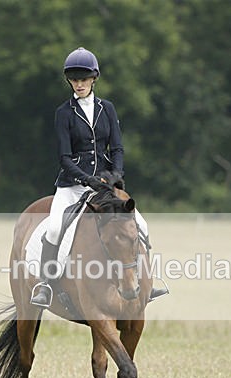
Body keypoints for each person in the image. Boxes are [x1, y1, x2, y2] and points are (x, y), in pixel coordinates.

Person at [31, 47, 166, 307]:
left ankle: (148, 281)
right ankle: (45, 285)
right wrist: (86, 179)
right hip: (73, 185)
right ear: (69, 80)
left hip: (105, 184)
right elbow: (64, 158)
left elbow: (116, 148)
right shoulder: (63, 113)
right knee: (56, 227)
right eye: (75, 79)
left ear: (94, 79)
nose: (79, 84)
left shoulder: (108, 109)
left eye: (84, 79)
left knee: (141, 225)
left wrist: (115, 174)